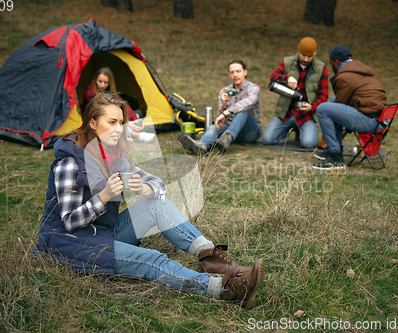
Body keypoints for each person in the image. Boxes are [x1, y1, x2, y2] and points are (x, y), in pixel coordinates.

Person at [34, 92, 264, 309]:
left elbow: (158, 186)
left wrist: (146, 188)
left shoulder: (112, 155)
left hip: (101, 233)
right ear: (92, 123)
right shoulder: (70, 162)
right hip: (68, 243)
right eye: (111, 122)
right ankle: (227, 289)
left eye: (121, 123)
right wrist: (104, 196)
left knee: (155, 203)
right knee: (152, 259)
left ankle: (218, 261)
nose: (118, 129)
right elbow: (70, 221)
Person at [312, 45, 387, 170]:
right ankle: (334, 148)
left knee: (323, 109)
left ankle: (336, 158)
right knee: (332, 102)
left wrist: (327, 134)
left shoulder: (345, 76)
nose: (332, 67)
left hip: (369, 121)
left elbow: (340, 105)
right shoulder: (361, 70)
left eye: (331, 64)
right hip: (380, 118)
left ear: (337, 62)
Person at [177, 60, 262, 154]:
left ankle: (227, 137)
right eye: (232, 72)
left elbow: (249, 101)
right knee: (213, 127)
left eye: (238, 71)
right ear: (229, 74)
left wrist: (226, 112)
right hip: (229, 130)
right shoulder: (225, 91)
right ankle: (202, 146)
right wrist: (224, 103)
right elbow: (220, 120)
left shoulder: (253, 88)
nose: (235, 75)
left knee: (243, 110)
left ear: (245, 72)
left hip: (249, 132)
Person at [262, 37, 328, 149]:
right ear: (298, 51)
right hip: (286, 112)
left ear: (314, 54)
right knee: (267, 140)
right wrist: (287, 78)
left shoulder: (321, 68)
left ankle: (300, 130)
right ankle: (290, 128)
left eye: (309, 56)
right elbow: (273, 77)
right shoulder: (287, 62)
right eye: (303, 55)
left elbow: (323, 95)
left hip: (306, 115)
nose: (306, 59)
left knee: (308, 144)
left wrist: (311, 107)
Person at [82, 67, 155, 143]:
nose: (102, 85)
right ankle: (137, 135)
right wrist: (127, 123)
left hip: (111, 119)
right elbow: (104, 113)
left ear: (110, 83)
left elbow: (123, 105)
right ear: (95, 81)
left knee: (127, 117)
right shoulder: (90, 94)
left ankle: (128, 133)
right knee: (112, 122)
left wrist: (134, 118)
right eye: (100, 81)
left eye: (106, 82)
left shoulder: (111, 92)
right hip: (96, 120)